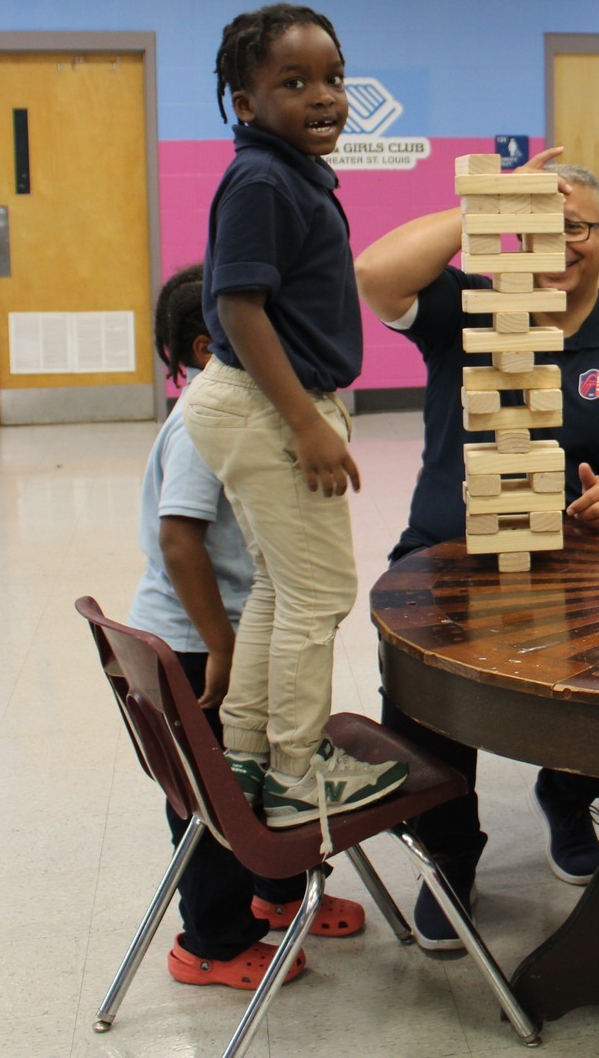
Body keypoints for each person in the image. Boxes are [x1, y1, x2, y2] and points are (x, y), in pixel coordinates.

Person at [354, 148, 599, 949]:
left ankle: (571, 790)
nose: (556, 242)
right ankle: (448, 853)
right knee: (429, 694)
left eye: (572, 225)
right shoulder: (469, 312)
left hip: (582, 566)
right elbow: (377, 273)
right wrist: (488, 203)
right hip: (450, 553)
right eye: (537, 226)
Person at [184, 2, 404, 838]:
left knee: (281, 584)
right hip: (264, 403)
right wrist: (306, 425)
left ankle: (247, 750)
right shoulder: (265, 178)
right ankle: (296, 772)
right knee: (321, 592)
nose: (324, 97)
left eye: (334, 78)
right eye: (294, 82)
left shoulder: (286, 171)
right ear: (245, 101)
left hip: (254, 401)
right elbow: (240, 308)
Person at [128, 266, 367, 992]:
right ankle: (211, 939)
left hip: (238, 624)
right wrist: (223, 649)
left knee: (262, 772)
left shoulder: (239, 411)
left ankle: (278, 894)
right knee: (212, 799)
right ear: (214, 347)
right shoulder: (207, 423)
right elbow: (179, 539)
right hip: (201, 639)